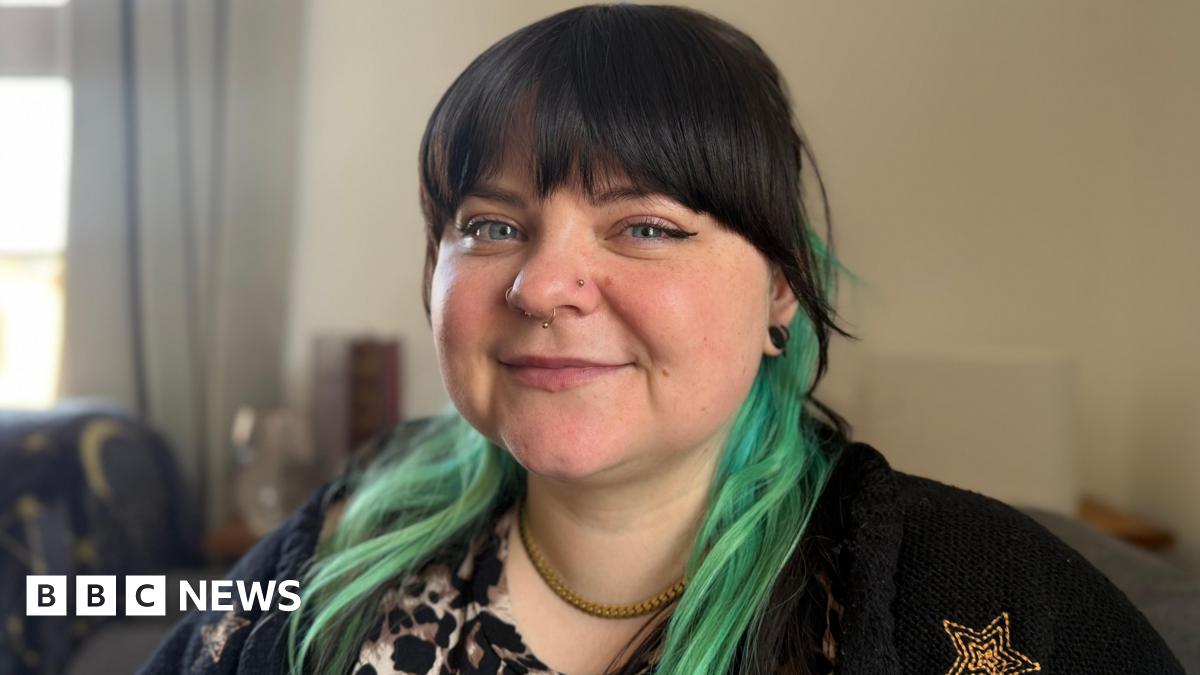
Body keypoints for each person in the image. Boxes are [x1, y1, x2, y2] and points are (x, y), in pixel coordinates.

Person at [138, 4, 1185, 675]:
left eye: (644, 227)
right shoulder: (334, 548)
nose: (543, 284)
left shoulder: (971, 595)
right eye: (491, 226)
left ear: (782, 286)